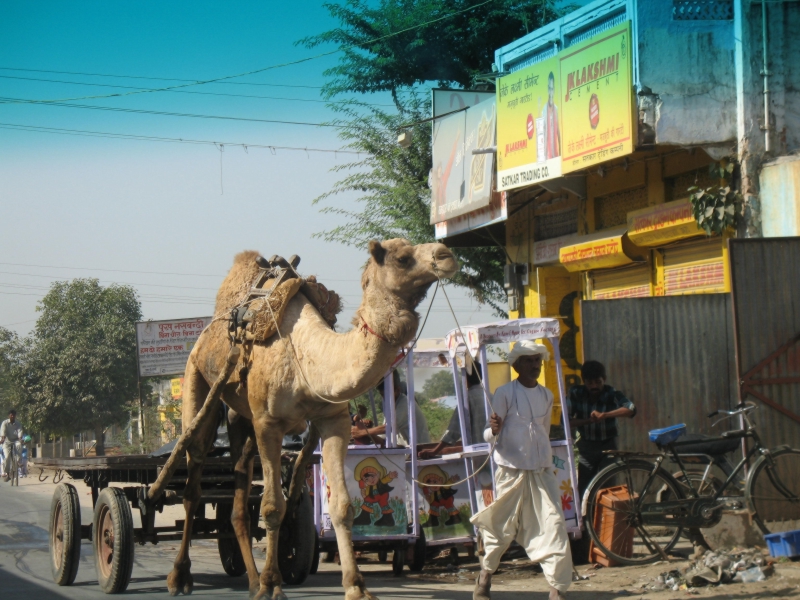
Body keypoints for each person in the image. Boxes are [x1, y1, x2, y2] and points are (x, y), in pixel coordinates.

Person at [471, 341, 572, 600]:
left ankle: (556, 589)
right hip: (510, 472)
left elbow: (544, 434)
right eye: (529, 361)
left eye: (537, 360)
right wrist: (493, 429)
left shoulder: (547, 395)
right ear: (516, 365)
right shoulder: (504, 393)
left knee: (555, 526)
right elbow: (488, 434)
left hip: (540, 472)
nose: (535, 365)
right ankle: (484, 577)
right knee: (500, 531)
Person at [567, 360, 635, 497]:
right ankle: (585, 517)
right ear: (584, 382)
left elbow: (631, 409)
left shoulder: (611, 393)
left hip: (608, 445)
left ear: (604, 379)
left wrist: (605, 415)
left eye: (598, 382)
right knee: (584, 487)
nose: (594, 387)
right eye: (590, 383)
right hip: (587, 447)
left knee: (607, 484)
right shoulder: (576, 393)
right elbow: (565, 421)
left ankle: (605, 516)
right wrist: (587, 421)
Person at [419, 364, 488, 459]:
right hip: (492, 452)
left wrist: (435, 451)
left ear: (465, 378)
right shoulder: (490, 396)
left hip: (475, 455)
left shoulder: (467, 399)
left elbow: (453, 431)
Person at [351, 371, 431, 447]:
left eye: (388, 394)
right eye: (382, 395)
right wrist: (367, 430)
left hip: (419, 451)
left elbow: (389, 427)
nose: (385, 398)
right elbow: (383, 436)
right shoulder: (391, 406)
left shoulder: (405, 403)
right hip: (405, 450)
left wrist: (363, 432)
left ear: (398, 390)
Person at [541, 71, 561, 159]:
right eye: (549, 88)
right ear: (547, 89)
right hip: (547, 156)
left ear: (554, 89)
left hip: (556, 155)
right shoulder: (544, 110)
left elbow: (559, 132)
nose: (551, 91)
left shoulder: (556, 109)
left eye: (552, 89)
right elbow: (541, 135)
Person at [0, 410, 23, 482]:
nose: (12, 416)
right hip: (6, 441)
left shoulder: (18, 423)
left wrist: (20, 438)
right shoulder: (5, 423)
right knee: (7, 457)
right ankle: (7, 473)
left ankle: (18, 461)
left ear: (15, 415)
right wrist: (3, 438)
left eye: (14, 415)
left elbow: (20, 431)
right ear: (9, 416)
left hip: (16, 440)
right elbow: (3, 431)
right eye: (11, 415)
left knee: (19, 445)